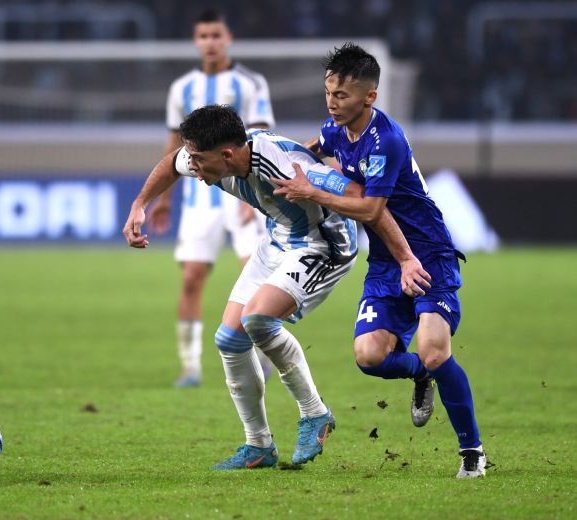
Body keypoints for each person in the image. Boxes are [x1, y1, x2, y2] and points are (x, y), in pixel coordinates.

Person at [123, 105, 426, 470]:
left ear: (228, 154)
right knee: (229, 340)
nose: (195, 168)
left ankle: (315, 413)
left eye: (200, 161)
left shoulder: (285, 166)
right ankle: (259, 445)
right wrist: (140, 203)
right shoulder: (208, 157)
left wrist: (406, 258)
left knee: (258, 319)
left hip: (323, 245)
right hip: (279, 239)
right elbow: (172, 161)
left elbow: (364, 199)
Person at [271, 42, 486, 478]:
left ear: (369, 96)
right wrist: (287, 162)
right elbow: (316, 147)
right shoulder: (336, 129)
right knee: (369, 356)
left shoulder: (384, 140)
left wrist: (312, 192)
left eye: (342, 95)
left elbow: (372, 210)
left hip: (428, 254)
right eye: (329, 92)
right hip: (387, 264)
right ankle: (420, 376)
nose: (332, 102)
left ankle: (472, 451)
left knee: (433, 350)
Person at [146, 9, 275, 388]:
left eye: (216, 35)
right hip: (199, 199)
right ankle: (190, 367)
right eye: (203, 36)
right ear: (196, 40)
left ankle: (267, 358)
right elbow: (174, 146)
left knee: (256, 277)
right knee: (191, 279)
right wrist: (164, 199)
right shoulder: (181, 88)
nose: (210, 42)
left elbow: (262, 137)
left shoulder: (251, 83)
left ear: (228, 37)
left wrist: (254, 195)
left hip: (245, 195)